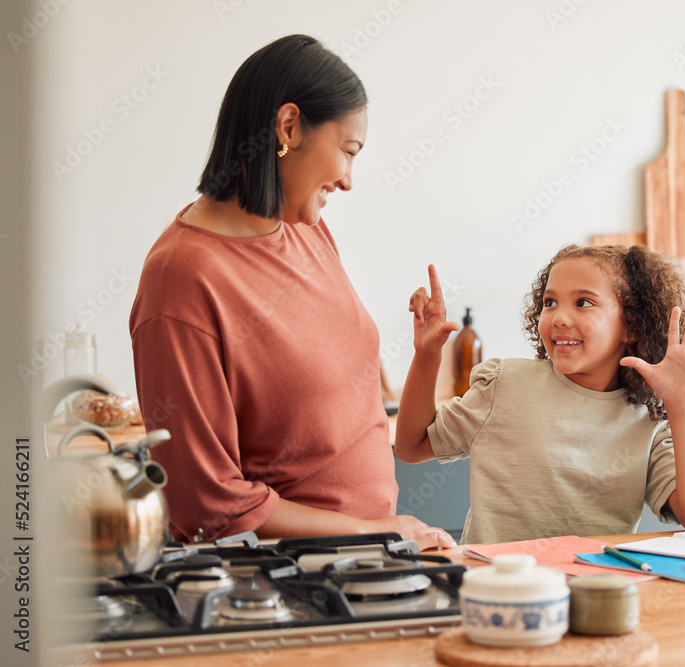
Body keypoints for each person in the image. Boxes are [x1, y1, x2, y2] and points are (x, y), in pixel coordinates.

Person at [129, 34, 454, 550]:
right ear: (287, 127)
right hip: (282, 583)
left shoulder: (304, 229)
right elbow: (206, 505)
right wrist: (373, 532)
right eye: (347, 151)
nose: (348, 181)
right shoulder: (182, 278)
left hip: (373, 559)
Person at [393, 244, 685, 544]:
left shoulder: (647, 421)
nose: (559, 317)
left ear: (632, 326)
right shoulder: (504, 384)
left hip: (592, 592)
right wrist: (426, 357)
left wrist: (681, 404)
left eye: (583, 302)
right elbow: (412, 447)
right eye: (550, 302)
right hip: (494, 589)